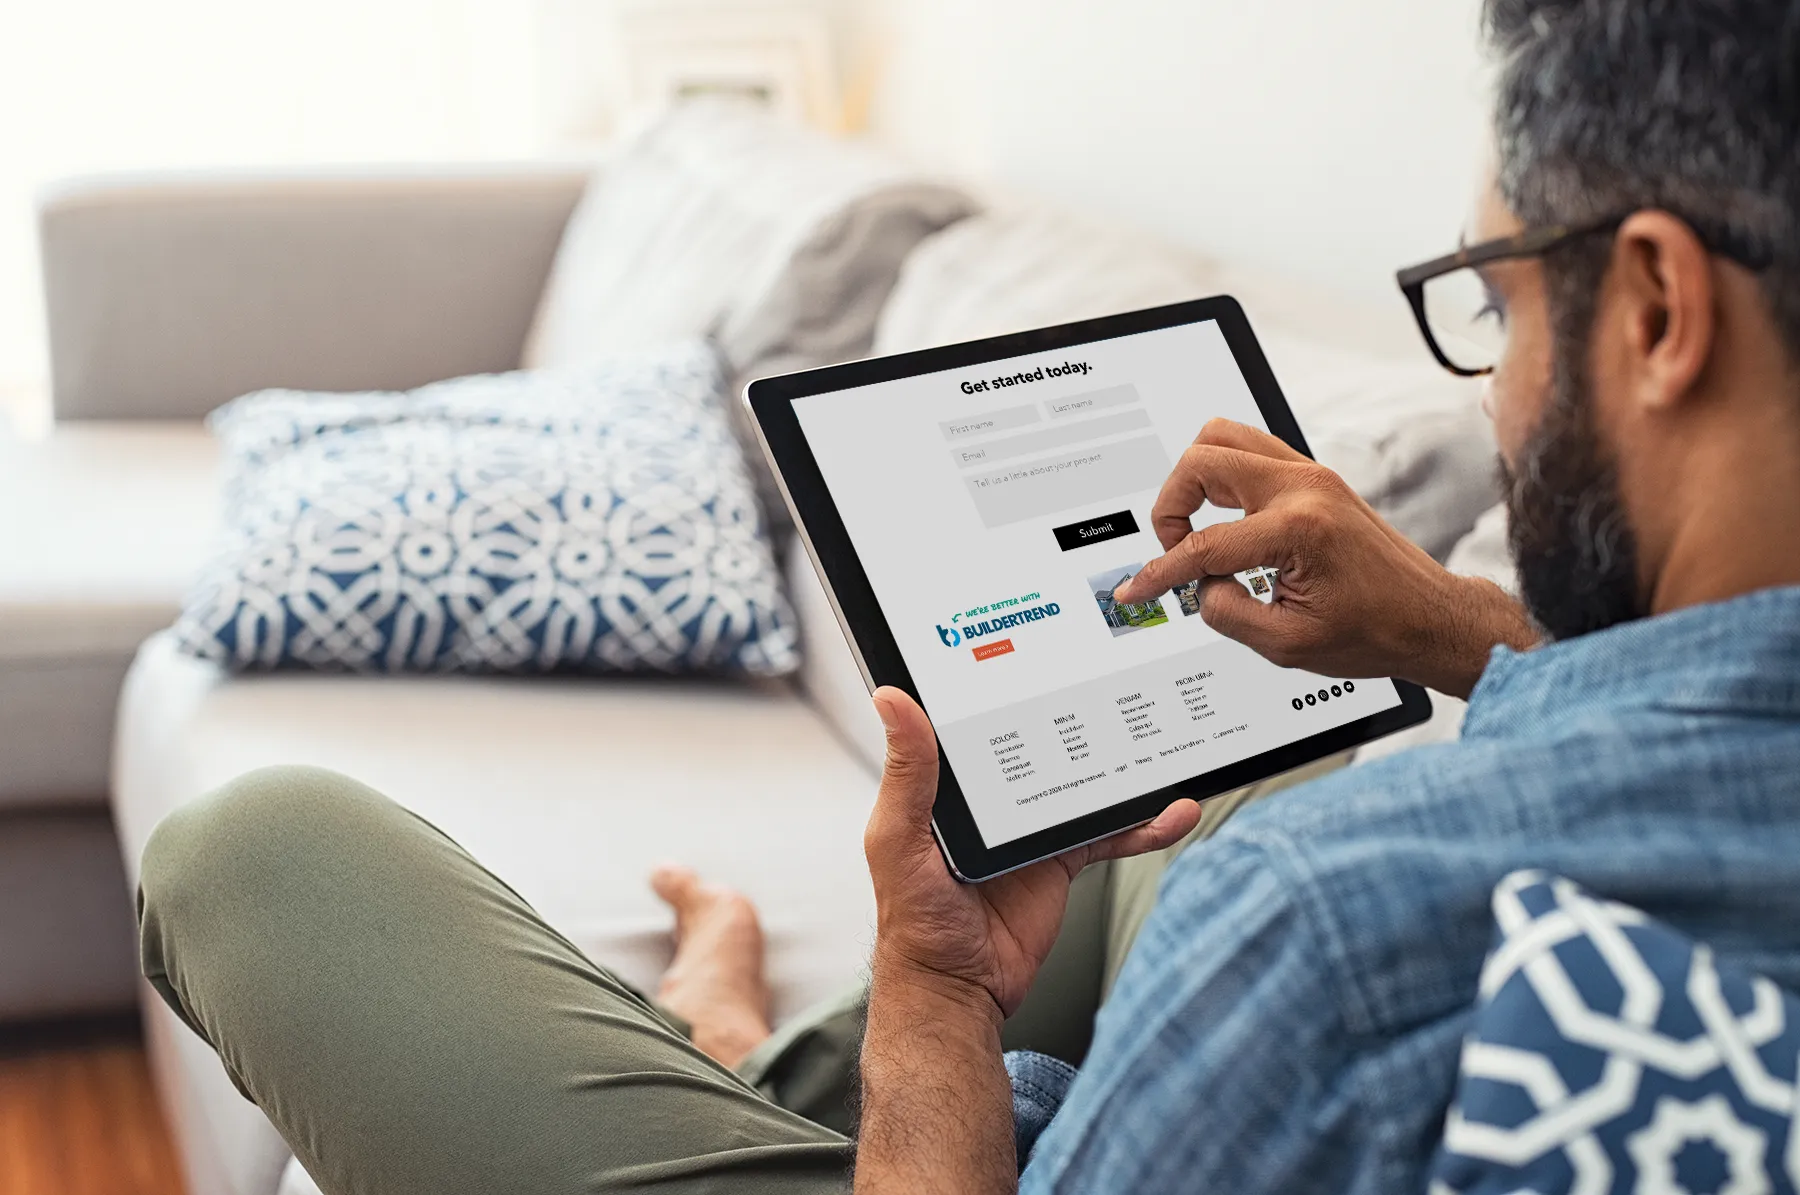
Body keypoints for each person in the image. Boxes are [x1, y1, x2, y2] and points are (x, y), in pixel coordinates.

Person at [136, 1, 1800, 1191]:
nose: (1499, 394)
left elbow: (1287, 952)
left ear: (1656, 307)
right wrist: (1449, 626)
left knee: (252, 849)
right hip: (1141, 1076)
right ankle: (740, 1052)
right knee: (1234, 752)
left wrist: (935, 999)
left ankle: (730, 1051)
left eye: (1496, 308)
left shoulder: (1328, 935)